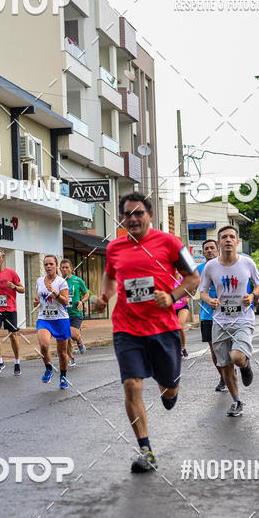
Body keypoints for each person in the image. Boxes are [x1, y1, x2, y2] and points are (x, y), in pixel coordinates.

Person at [93, 193, 199, 472]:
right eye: (128, 215)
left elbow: (194, 277)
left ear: (150, 215)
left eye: (138, 213)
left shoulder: (170, 243)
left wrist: (173, 295)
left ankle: (170, 391)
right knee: (132, 384)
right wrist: (105, 294)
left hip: (163, 328)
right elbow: (110, 273)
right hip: (126, 328)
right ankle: (145, 449)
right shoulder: (115, 247)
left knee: (169, 386)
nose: (133, 219)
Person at [199, 226, 259, 418]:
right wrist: (209, 300)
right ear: (219, 243)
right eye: (224, 237)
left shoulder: (247, 262)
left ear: (237, 242)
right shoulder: (211, 267)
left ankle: (245, 365)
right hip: (219, 321)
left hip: (243, 319)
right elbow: (202, 291)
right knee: (225, 365)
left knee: (236, 357)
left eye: (231, 237)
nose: (228, 240)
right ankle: (237, 401)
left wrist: (252, 295)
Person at [0, 249, 25, 375]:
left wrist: (15, 287)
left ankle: (17, 362)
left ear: (3, 259)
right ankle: (0, 361)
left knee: (13, 336)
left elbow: (23, 289)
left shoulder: (11, 273)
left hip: (10, 309)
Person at [34, 255, 71, 389]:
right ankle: (49, 368)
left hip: (60, 319)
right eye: (46, 264)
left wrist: (54, 292)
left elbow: (65, 301)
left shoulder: (61, 282)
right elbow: (38, 297)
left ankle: (63, 376)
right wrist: (36, 301)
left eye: (51, 264)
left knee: (62, 353)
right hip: (44, 319)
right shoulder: (39, 281)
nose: (48, 267)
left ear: (56, 266)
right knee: (44, 345)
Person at [197, 239, 226, 392]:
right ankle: (223, 376)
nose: (209, 250)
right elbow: (192, 285)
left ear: (218, 250)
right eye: (206, 248)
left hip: (227, 314)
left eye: (212, 248)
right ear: (203, 252)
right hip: (207, 315)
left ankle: (231, 370)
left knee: (228, 349)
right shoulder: (199, 269)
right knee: (214, 349)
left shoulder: (226, 266)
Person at [60, 258, 89, 367]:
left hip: (75, 313)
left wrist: (82, 301)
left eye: (67, 267)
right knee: (65, 337)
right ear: (60, 269)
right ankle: (71, 358)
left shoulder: (78, 280)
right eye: (62, 268)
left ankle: (79, 341)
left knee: (73, 334)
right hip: (62, 314)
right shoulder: (58, 281)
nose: (64, 269)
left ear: (71, 269)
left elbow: (86, 294)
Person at [172, 272, 191, 358]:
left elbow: (191, 289)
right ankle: (175, 348)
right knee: (172, 329)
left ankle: (183, 347)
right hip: (171, 308)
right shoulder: (168, 280)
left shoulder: (183, 280)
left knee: (179, 325)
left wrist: (188, 297)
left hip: (182, 306)